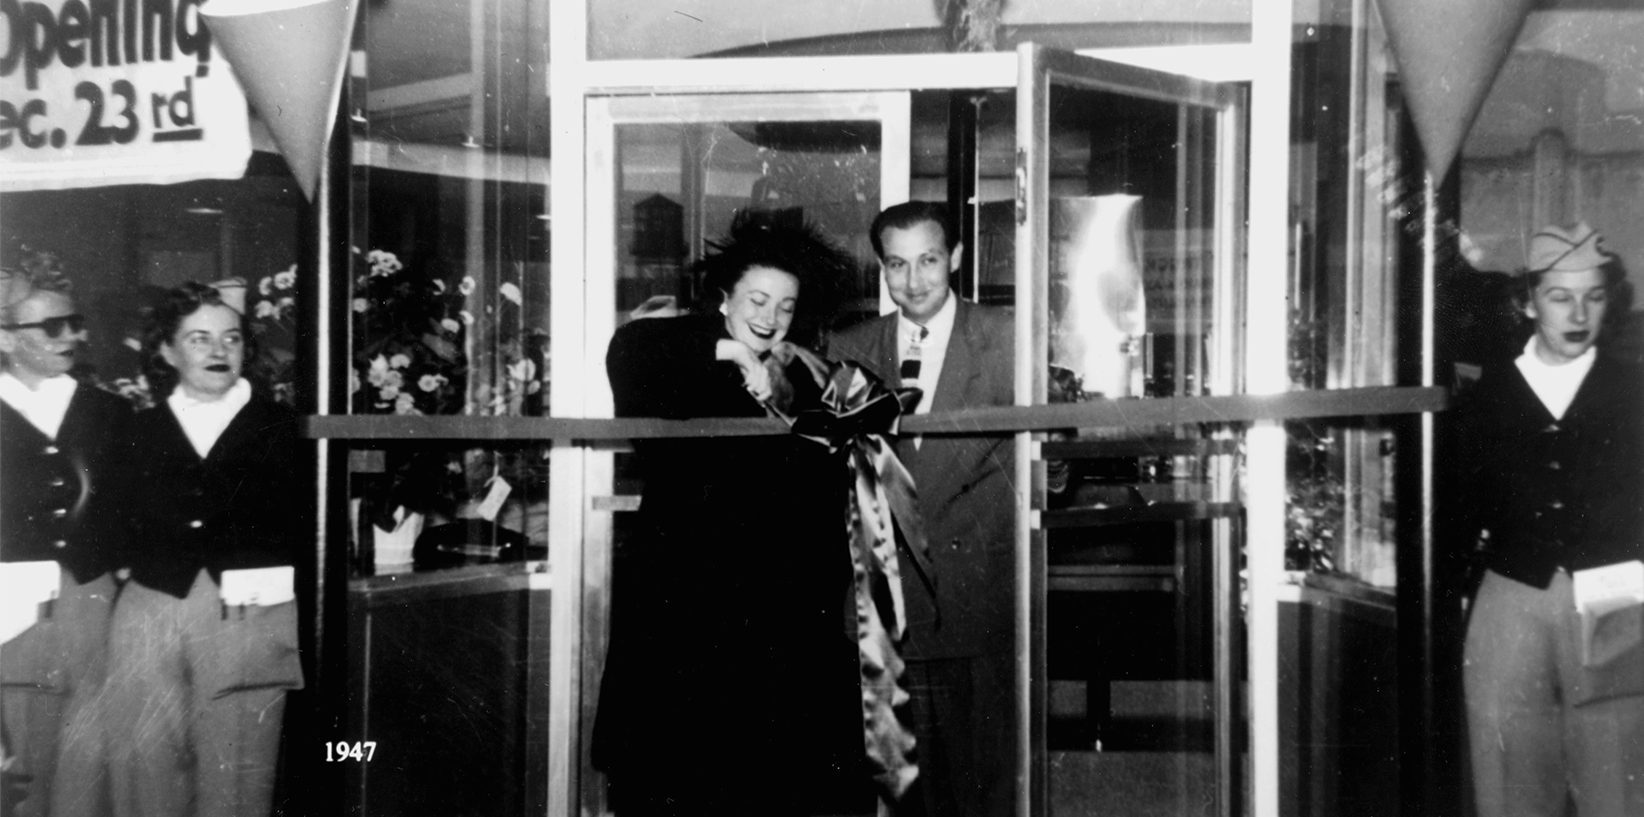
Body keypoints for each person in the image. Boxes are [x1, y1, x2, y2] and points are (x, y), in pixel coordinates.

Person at [592, 211, 869, 816]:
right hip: (685, 622)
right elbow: (629, 348)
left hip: (774, 629)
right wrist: (733, 352)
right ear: (725, 297)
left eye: (785, 306)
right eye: (757, 300)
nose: (770, 318)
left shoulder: (803, 374)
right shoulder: (683, 350)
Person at [827, 201, 1016, 817]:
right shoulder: (850, 347)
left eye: (928, 261)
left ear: (955, 258)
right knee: (895, 792)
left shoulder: (1007, 338)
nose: (913, 281)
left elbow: (1045, 461)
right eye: (897, 264)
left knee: (977, 787)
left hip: (972, 599)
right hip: (882, 609)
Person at [1452, 222, 1644, 817]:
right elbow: (1458, 512)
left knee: (1616, 776)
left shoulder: (1635, 390)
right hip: (1512, 595)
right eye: (1561, 297)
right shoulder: (1485, 397)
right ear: (1529, 302)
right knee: (1508, 768)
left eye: (1594, 296)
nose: (1579, 314)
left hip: (1616, 596)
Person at [101, 282, 307, 817]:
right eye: (200, 339)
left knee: (238, 774)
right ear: (167, 351)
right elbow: (111, 523)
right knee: (147, 769)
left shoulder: (287, 427)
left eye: (231, 338)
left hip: (249, 614)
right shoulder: (135, 429)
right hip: (150, 610)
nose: (219, 351)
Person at [0, 249, 130, 817]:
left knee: (87, 768)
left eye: (74, 322)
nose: (72, 335)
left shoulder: (109, 412)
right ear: (6, 339)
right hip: (10, 614)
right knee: (19, 771)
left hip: (92, 604)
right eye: (52, 327)